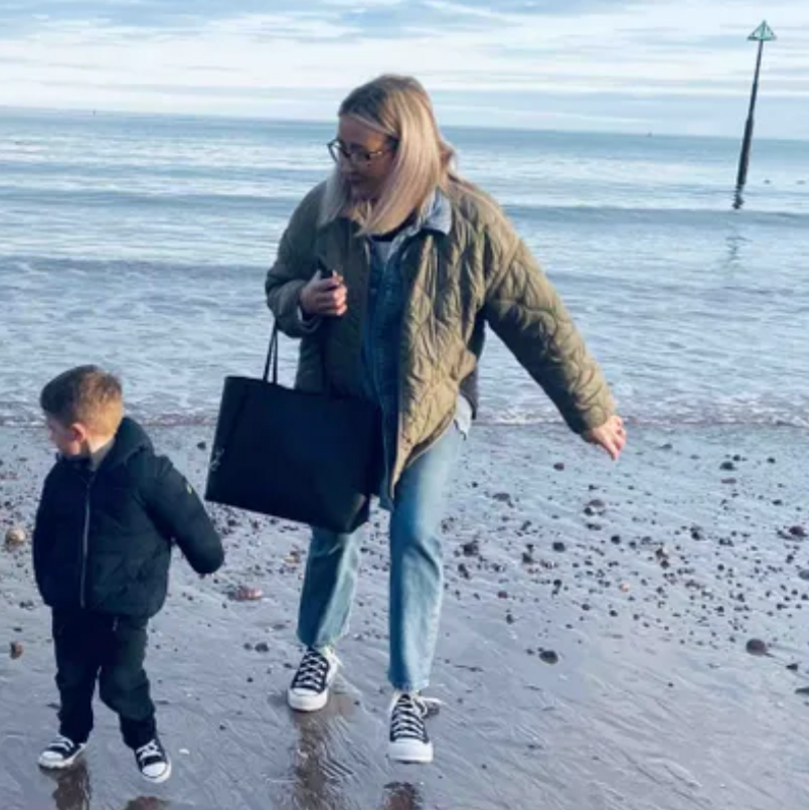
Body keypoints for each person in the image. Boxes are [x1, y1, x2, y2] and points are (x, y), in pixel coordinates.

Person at [264, 75, 626, 765]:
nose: (345, 165)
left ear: (408, 149)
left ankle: (408, 693)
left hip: (432, 412)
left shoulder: (472, 222)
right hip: (342, 402)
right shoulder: (325, 208)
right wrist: (303, 300)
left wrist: (591, 411)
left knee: (415, 534)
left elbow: (537, 320)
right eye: (338, 148)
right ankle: (319, 652)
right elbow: (277, 283)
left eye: (361, 153)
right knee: (334, 529)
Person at [31, 366, 224, 783]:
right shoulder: (61, 475)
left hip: (127, 604)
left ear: (77, 432)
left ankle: (143, 737)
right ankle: (72, 733)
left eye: (51, 429)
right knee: (72, 676)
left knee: (122, 681)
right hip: (69, 601)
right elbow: (43, 532)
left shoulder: (148, 473)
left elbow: (191, 521)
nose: (48, 437)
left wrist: (206, 558)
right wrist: (48, 583)